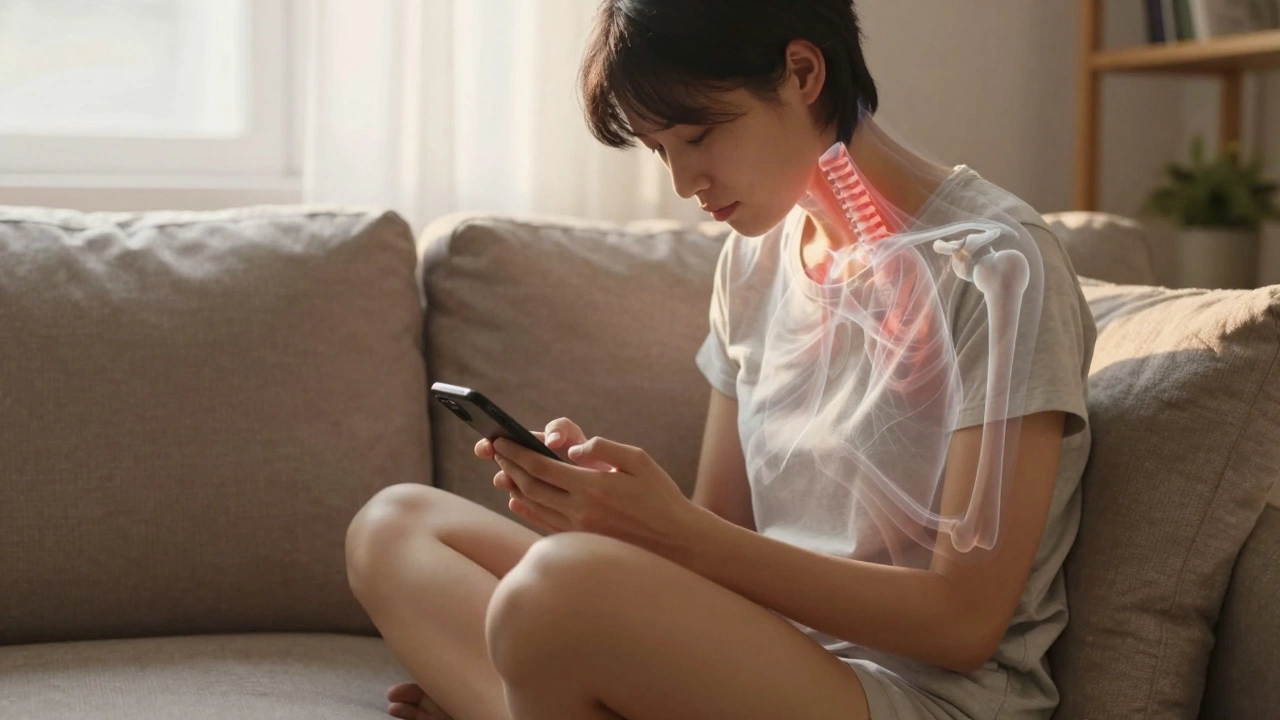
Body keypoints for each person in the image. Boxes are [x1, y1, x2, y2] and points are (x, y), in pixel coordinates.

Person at [344, 1, 1097, 719]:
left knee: (552, 592)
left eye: (699, 136)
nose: (683, 184)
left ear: (802, 73)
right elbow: (718, 536)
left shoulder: (998, 266)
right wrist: (617, 513)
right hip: (761, 660)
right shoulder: (752, 264)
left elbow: (963, 623)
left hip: (920, 694)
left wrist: (672, 531)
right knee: (395, 527)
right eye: (660, 150)